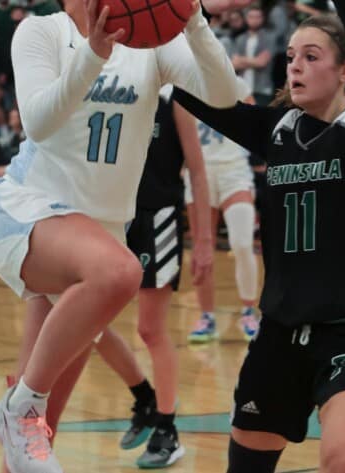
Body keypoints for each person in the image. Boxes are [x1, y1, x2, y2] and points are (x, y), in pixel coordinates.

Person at [0, 0, 240, 471]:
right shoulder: (40, 32)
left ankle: (22, 413)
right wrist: (92, 54)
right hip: (28, 211)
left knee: (34, 443)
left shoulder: (151, 43)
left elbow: (225, 94)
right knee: (122, 273)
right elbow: (37, 121)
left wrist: (195, 17)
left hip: (96, 239)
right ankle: (17, 406)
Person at [172, 0, 345, 471]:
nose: (295, 65)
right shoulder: (277, 130)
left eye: (312, 56)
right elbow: (189, 90)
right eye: (292, 56)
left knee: (340, 460)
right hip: (279, 334)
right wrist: (178, 25)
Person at [93, 83, 214, 468]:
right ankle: (143, 397)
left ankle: (167, 429)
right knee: (86, 322)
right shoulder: (112, 87)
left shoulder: (175, 98)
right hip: (112, 217)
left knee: (150, 329)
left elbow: (196, 169)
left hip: (157, 217)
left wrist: (205, 240)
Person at [185, 79, 260, 343]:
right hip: (199, 174)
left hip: (234, 170)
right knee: (201, 249)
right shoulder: (184, 84)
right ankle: (206, 317)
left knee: (241, 243)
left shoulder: (236, 84)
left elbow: (256, 122)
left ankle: (249, 311)